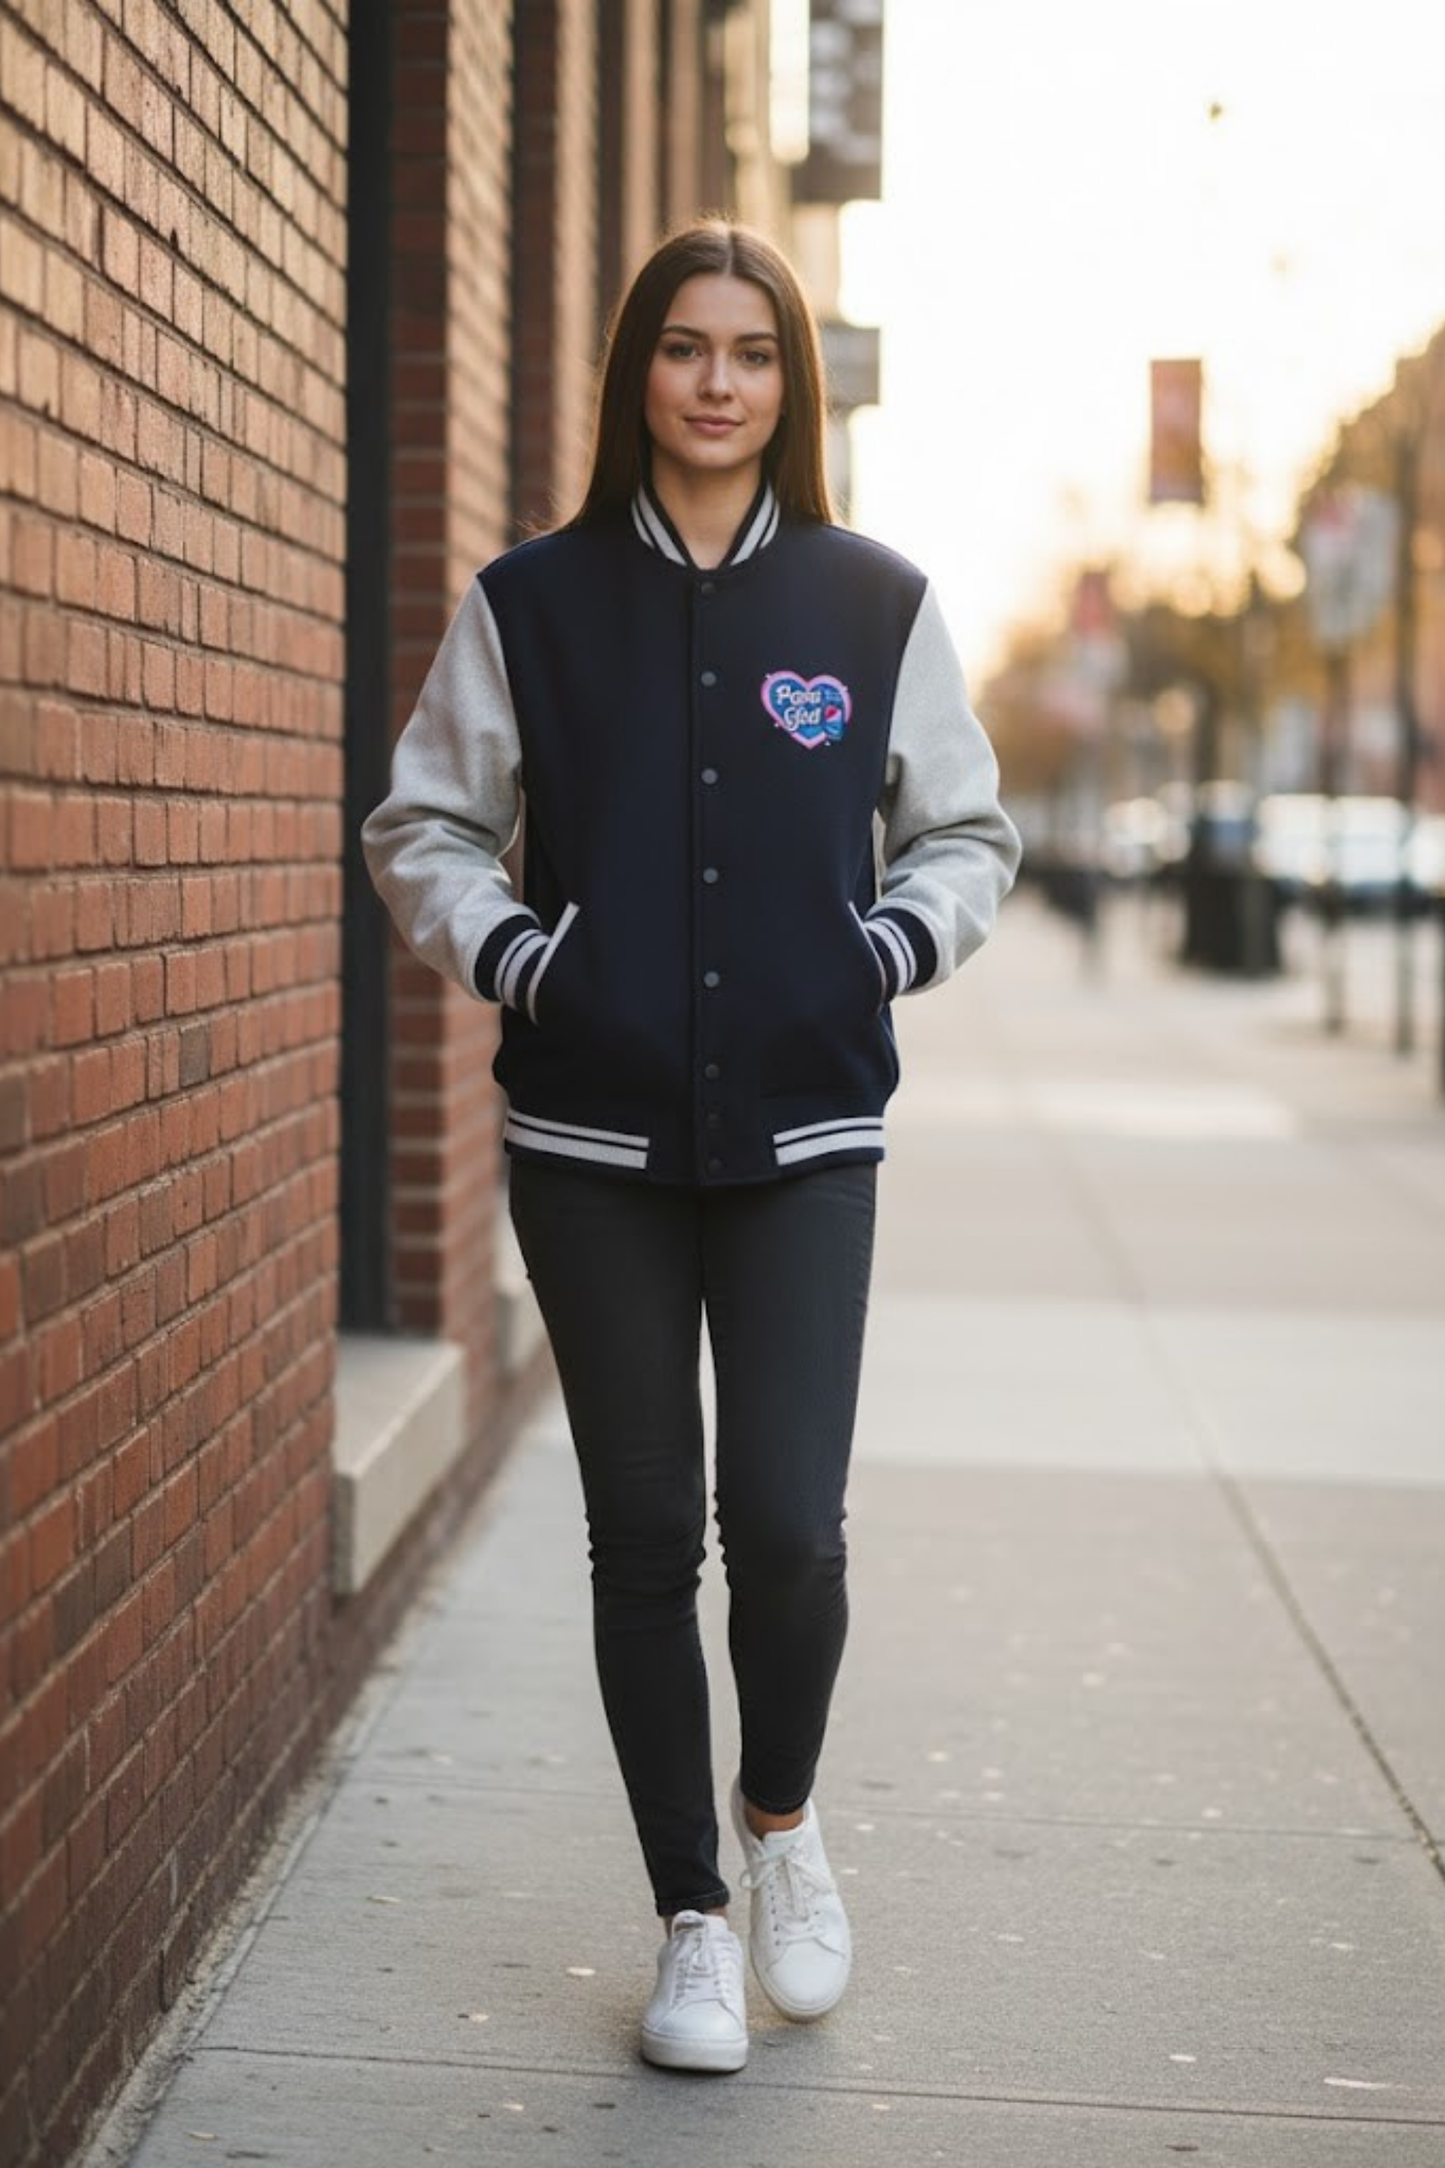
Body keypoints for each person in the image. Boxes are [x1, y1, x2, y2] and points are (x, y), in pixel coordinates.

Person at [362, 219, 1020, 2074]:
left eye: (749, 351)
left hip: (810, 1137)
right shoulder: (532, 603)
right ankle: (692, 1919)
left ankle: (786, 1829)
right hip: (588, 1140)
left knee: (789, 1531)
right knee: (645, 1535)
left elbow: (968, 836)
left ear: (788, 385)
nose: (717, 381)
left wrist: (885, 949)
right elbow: (422, 825)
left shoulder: (873, 604)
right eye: (684, 347)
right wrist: (521, 956)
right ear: (636, 372)